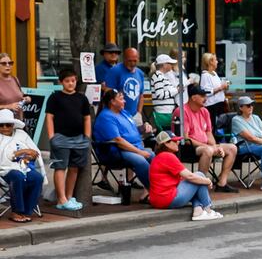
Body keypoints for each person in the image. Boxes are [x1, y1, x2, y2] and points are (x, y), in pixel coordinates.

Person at [43, 66, 92, 211]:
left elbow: (87, 118)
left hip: (79, 138)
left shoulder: (82, 98)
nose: (71, 84)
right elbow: (49, 117)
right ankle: (61, 198)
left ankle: (69, 197)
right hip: (61, 138)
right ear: (61, 82)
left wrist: (87, 136)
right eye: (67, 81)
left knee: (74, 168)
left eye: (73, 81)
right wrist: (52, 136)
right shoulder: (55, 97)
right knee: (60, 167)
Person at [176, 84, 239, 193]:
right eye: (202, 96)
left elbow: (209, 133)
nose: (206, 99)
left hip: (205, 145)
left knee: (232, 148)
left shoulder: (204, 111)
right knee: (208, 150)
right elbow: (185, 138)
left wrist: (215, 146)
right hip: (187, 147)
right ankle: (200, 185)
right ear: (193, 97)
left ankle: (221, 183)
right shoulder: (182, 111)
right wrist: (209, 147)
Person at [147, 131, 221, 220]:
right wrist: (207, 181)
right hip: (167, 199)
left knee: (198, 179)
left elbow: (184, 179)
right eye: (174, 141)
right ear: (166, 144)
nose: (177, 142)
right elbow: (190, 176)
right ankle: (208, 209)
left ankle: (198, 210)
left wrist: (202, 181)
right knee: (199, 175)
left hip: (158, 200)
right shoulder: (167, 156)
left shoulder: (160, 156)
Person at [93, 87, 153, 188]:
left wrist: (144, 127)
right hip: (116, 152)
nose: (124, 101)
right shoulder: (106, 117)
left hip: (134, 148)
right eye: (121, 99)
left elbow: (131, 131)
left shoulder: (123, 112)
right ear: (112, 102)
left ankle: (161, 187)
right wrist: (140, 152)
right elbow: (118, 141)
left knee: (155, 156)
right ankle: (153, 189)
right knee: (141, 160)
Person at [0, 108, 45, 222]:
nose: (5, 128)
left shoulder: (21, 134)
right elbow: (4, 158)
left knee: (37, 177)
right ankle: (16, 211)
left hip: (24, 167)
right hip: (5, 170)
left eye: (8, 125)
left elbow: (35, 152)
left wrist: (29, 156)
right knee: (17, 176)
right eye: (1, 125)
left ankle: (27, 211)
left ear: (13, 125)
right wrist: (21, 152)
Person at [101, 46, 148, 122]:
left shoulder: (140, 73)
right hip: (118, 115)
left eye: (135, 61)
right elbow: (108, 94)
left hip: (135, 115)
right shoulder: (115, 71)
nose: (132, 63)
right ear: (124, 59)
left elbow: (141, 96)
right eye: (129, 61)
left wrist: (139, 113)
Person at [147, 54, 184, 131]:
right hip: (163, 114)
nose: (172, 65)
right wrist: (177, 90)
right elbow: (160, 95)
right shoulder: (158, 76)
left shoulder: (161, 76)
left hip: (166, 113)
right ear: (164, 65)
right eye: (170, 63)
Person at [198, 53, 229, 120]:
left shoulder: (214, 73)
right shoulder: (205, 75)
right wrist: (221, 88)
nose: (217, 62)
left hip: (219, 104)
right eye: (215, 60)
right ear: (210, 62)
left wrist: (225, 86)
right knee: (213, 127)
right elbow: (206, 92)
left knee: (220, 127)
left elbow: (218, 87)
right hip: (212, 106)